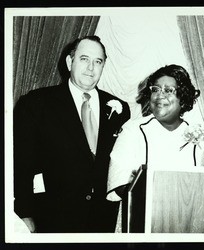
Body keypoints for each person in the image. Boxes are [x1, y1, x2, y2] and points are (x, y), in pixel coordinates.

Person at [13, 35, 130, 233]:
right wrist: (24, 213)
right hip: (50, 219)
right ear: (70, 62)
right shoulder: (36, 103)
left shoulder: (120, 109)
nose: (91, 68)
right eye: (84, 59)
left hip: (101, 221)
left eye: (97, 61)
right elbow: (20, 163)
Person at [106, 64, 204, 202]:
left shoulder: (199, 136)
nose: (160, 95)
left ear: (183, 96)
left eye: (168, 90)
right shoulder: (132, 130)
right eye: (155, 89)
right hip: (142, 214)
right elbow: (119, 183)